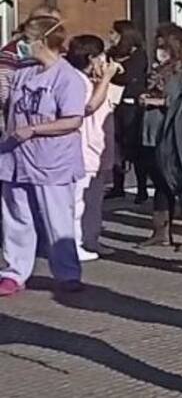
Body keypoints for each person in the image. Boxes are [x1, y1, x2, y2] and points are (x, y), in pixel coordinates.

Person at [0, 16, 88, 298]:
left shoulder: (67, 78)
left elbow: (73, 119)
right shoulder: (24, 73)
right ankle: (14, 272)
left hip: (52, 160)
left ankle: (67, 274)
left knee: (57, 219)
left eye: (26, 39)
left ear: (42, 41)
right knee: (16, 217)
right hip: (15, 156)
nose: (21, 45)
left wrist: (35, 129)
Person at [138, 25, 182, 250]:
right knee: (160, 184)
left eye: (164, 47)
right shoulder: (158, 71)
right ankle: (160, 231)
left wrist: (163, 102)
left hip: (175, 136)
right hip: (151, 134)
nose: (160, 52)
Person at [65, 35, 122, 262]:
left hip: (97, 148)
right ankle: (75, 243)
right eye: (101, 57)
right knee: (78, 200)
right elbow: (89, 106)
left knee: (94, 199)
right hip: (83, 148)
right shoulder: (77, 81)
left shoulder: (89, 81)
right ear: (91, 58)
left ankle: (90, 238)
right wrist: (105, 78)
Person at [106, 19, 150, 201]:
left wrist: (112, 73)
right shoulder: (111, 54)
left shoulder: (138, 55)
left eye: (113, 33)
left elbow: (128, 77)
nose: (110, 37)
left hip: (131, 104)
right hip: (114, 103)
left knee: (135, 147)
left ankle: (141, 188)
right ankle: (118, 185)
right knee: (116, 144)